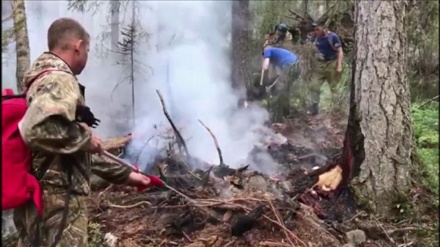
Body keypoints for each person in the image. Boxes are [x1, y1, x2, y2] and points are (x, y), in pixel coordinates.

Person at [13, 18, 154, 247]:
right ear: (78, 46)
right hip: (59, 205)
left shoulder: (38, 81)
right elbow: (35, 129)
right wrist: (85, 138)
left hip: (38, 200)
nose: (87, 56)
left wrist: (127, 176)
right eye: (87, 50)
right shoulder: (60, 79)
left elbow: (68, 151)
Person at [308, 23, 344, 115]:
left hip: (331, 63)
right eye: (315, 29)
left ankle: (337, 108)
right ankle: (314, 107)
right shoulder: (315, 37)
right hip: (319, 64)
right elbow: (310, 49)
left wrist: (339, 65)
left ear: (324, 28)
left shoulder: (333, 37)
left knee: (334, 87)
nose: (316, 31)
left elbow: (340, 51)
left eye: (318, 29)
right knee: (314, 85)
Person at [260, 40, 300, 121]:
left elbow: (266, 67)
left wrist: (263, 81)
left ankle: (276, 119)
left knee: (278, 91)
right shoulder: (278, 52)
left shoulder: (268, 50)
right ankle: (286, 114)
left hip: (289, 66)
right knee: (285, 90)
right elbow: (279, 72)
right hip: (297, 67)